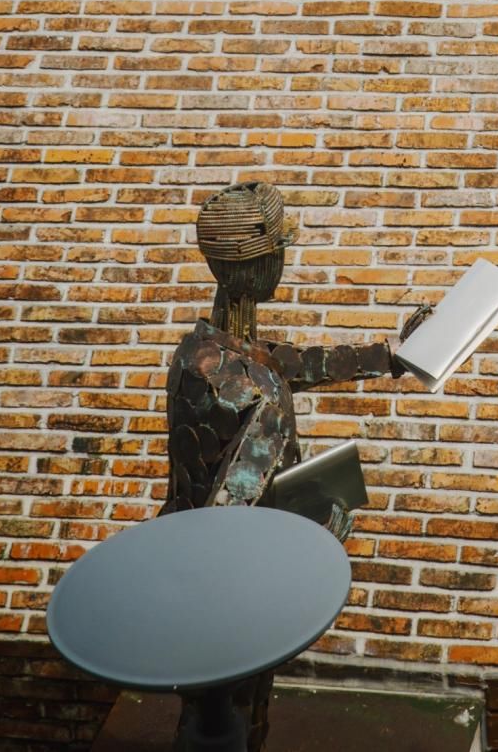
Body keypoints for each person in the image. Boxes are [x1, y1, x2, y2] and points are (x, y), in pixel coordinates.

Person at [163, 180, 429, 750]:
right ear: (263, 267)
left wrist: (389, 357)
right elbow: (232, 515)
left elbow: (283, 361)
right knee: (235, 720)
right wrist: (327, 523)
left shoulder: (199, 351)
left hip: (182, 568)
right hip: (233, 595)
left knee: (208, 716)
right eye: (281, 249)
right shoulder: (259, 396)